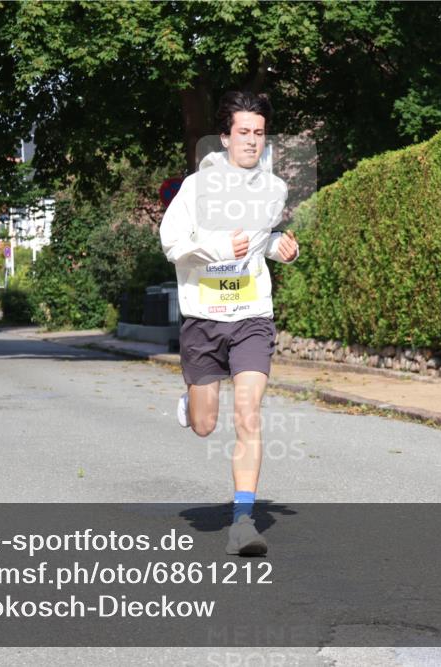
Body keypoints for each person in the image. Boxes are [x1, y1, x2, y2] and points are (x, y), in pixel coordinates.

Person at [160, 91, 299, 556]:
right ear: (225, 137)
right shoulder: (197, 188)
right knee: (204, 423)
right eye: (243, 132)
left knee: (248, 414)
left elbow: (257, 239)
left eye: (259, 134)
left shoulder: (274, 189)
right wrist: (219, 249)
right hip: (203, 315)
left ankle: (243, 522)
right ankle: (191, 398)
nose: (252, 142)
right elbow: (172, 242)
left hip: (251, 315)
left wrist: (277, 245)